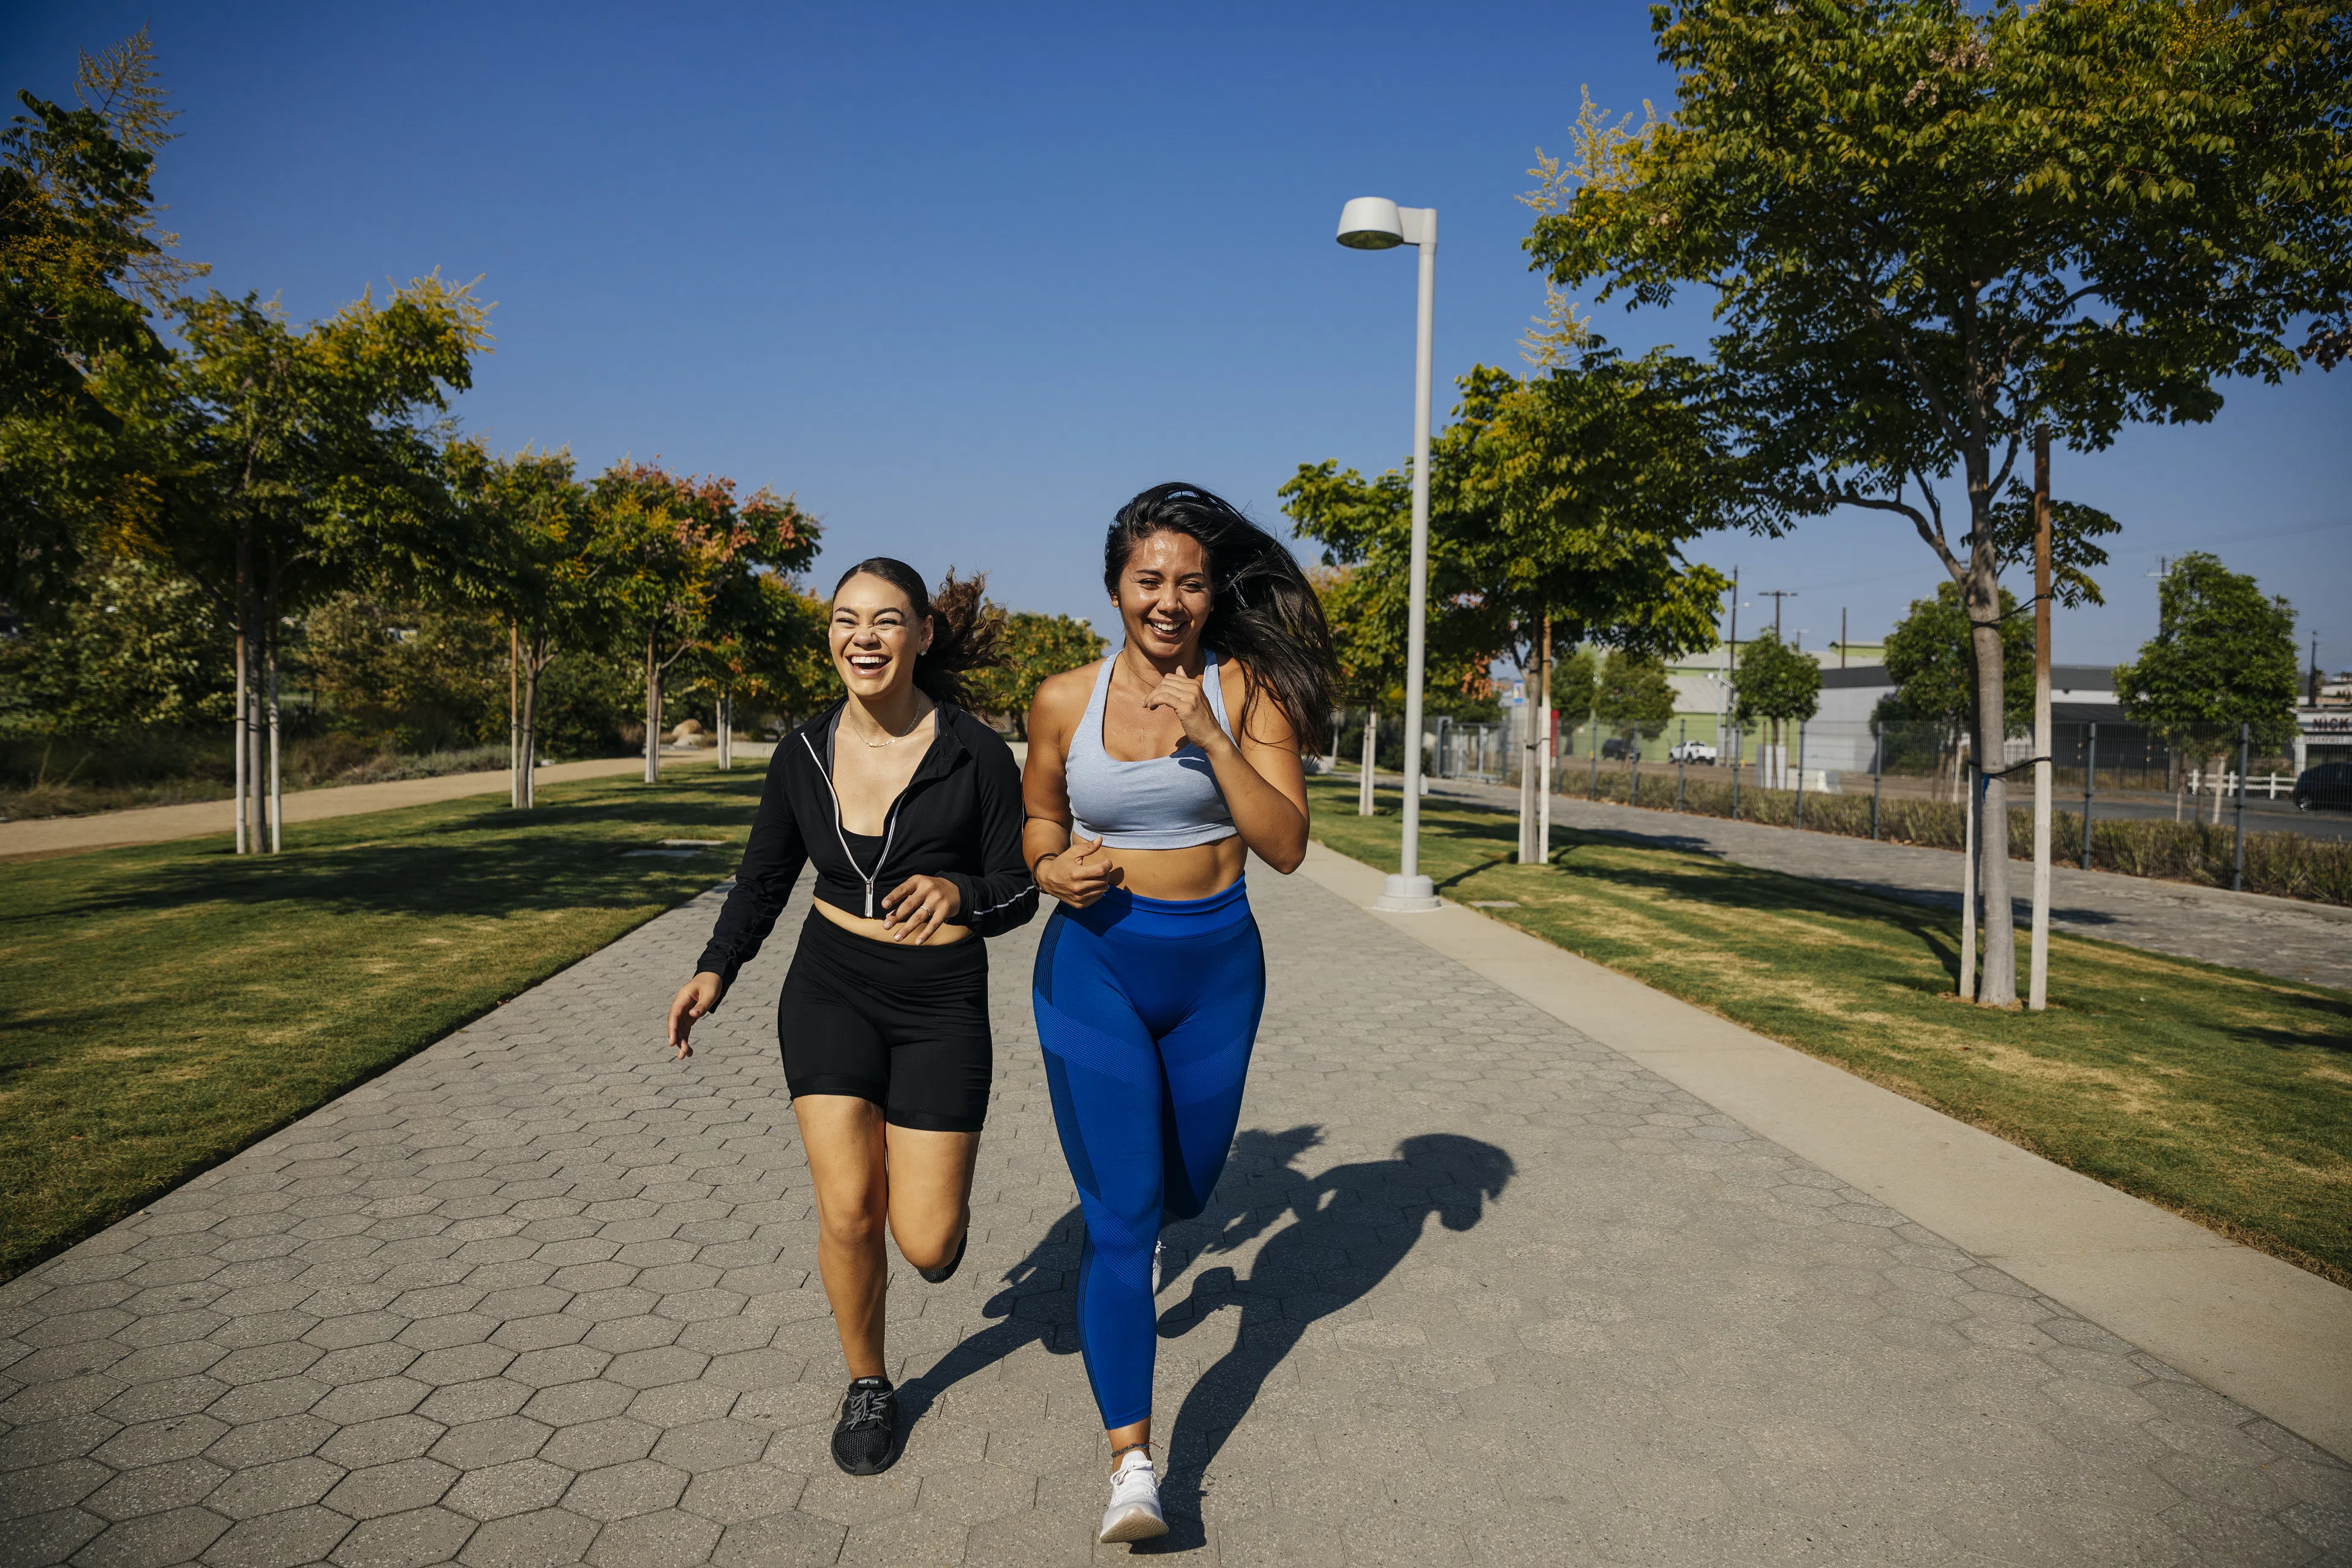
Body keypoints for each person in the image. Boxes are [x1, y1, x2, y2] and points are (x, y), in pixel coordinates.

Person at [666, 560, 1036, 1477]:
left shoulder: (976, 753)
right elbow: (763, 878)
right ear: (831, 636)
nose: (863, 636)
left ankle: (933, 1229)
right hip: (829, 986)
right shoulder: (801, 752)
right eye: (845, 619)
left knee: (927, 1239)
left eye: (886, 620)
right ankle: (868, 1380)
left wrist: (959, 892)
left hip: (941, 1000)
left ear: (922, 635)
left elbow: (1019, 887)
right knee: (847, 1209)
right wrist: (716, 968)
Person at [1022, 482, 1336, 1543]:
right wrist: (1048, 867)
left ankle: (1145, 1233)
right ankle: (1134, 1467)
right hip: (1095, 964)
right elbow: (1039, 817)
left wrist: (1211, 733)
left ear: (1212, 595)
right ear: (1116, 587)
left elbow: (1285, 845)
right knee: (1123, 1216)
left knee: (1187, 1192)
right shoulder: (1063, 699)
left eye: (1190, 583)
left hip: (1216, 972)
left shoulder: (1250, 693)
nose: (1168, 600)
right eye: (1149, 579)